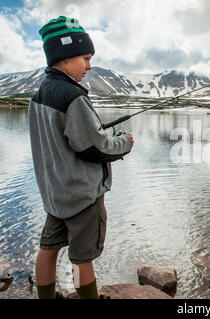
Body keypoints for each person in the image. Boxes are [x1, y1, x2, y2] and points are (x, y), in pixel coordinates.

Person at [28, 16, 134, 298]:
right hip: (82, 196)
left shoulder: (40, 93)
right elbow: (94, 147)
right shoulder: (72, 96)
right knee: (81, 259)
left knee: (48, 249)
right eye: (85, 58)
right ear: (64, 56)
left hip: (55, 195)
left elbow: (65, 139)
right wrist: (124, 142)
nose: (89, 66)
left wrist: (96, 132)